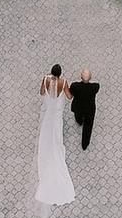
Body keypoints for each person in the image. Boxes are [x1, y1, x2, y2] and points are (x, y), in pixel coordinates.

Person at [35, 64, 75, 206]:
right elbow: (69, 97)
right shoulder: (63, 82)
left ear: (51, 72)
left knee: (48, 126)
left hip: (49, 107)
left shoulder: (45, 79)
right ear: (60, 73)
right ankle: (56, 142)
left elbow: (41, 92)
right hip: (57, 109)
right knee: (57, 129)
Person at [69, 68, 100, 151]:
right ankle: (84, 144)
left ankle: (79, 121)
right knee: (88, 126)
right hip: (89, 109)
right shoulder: (95, 87)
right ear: (90, 78)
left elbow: (71, 93)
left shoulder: (74, 86)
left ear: (81, 77)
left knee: (78, 116)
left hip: (78, 107)